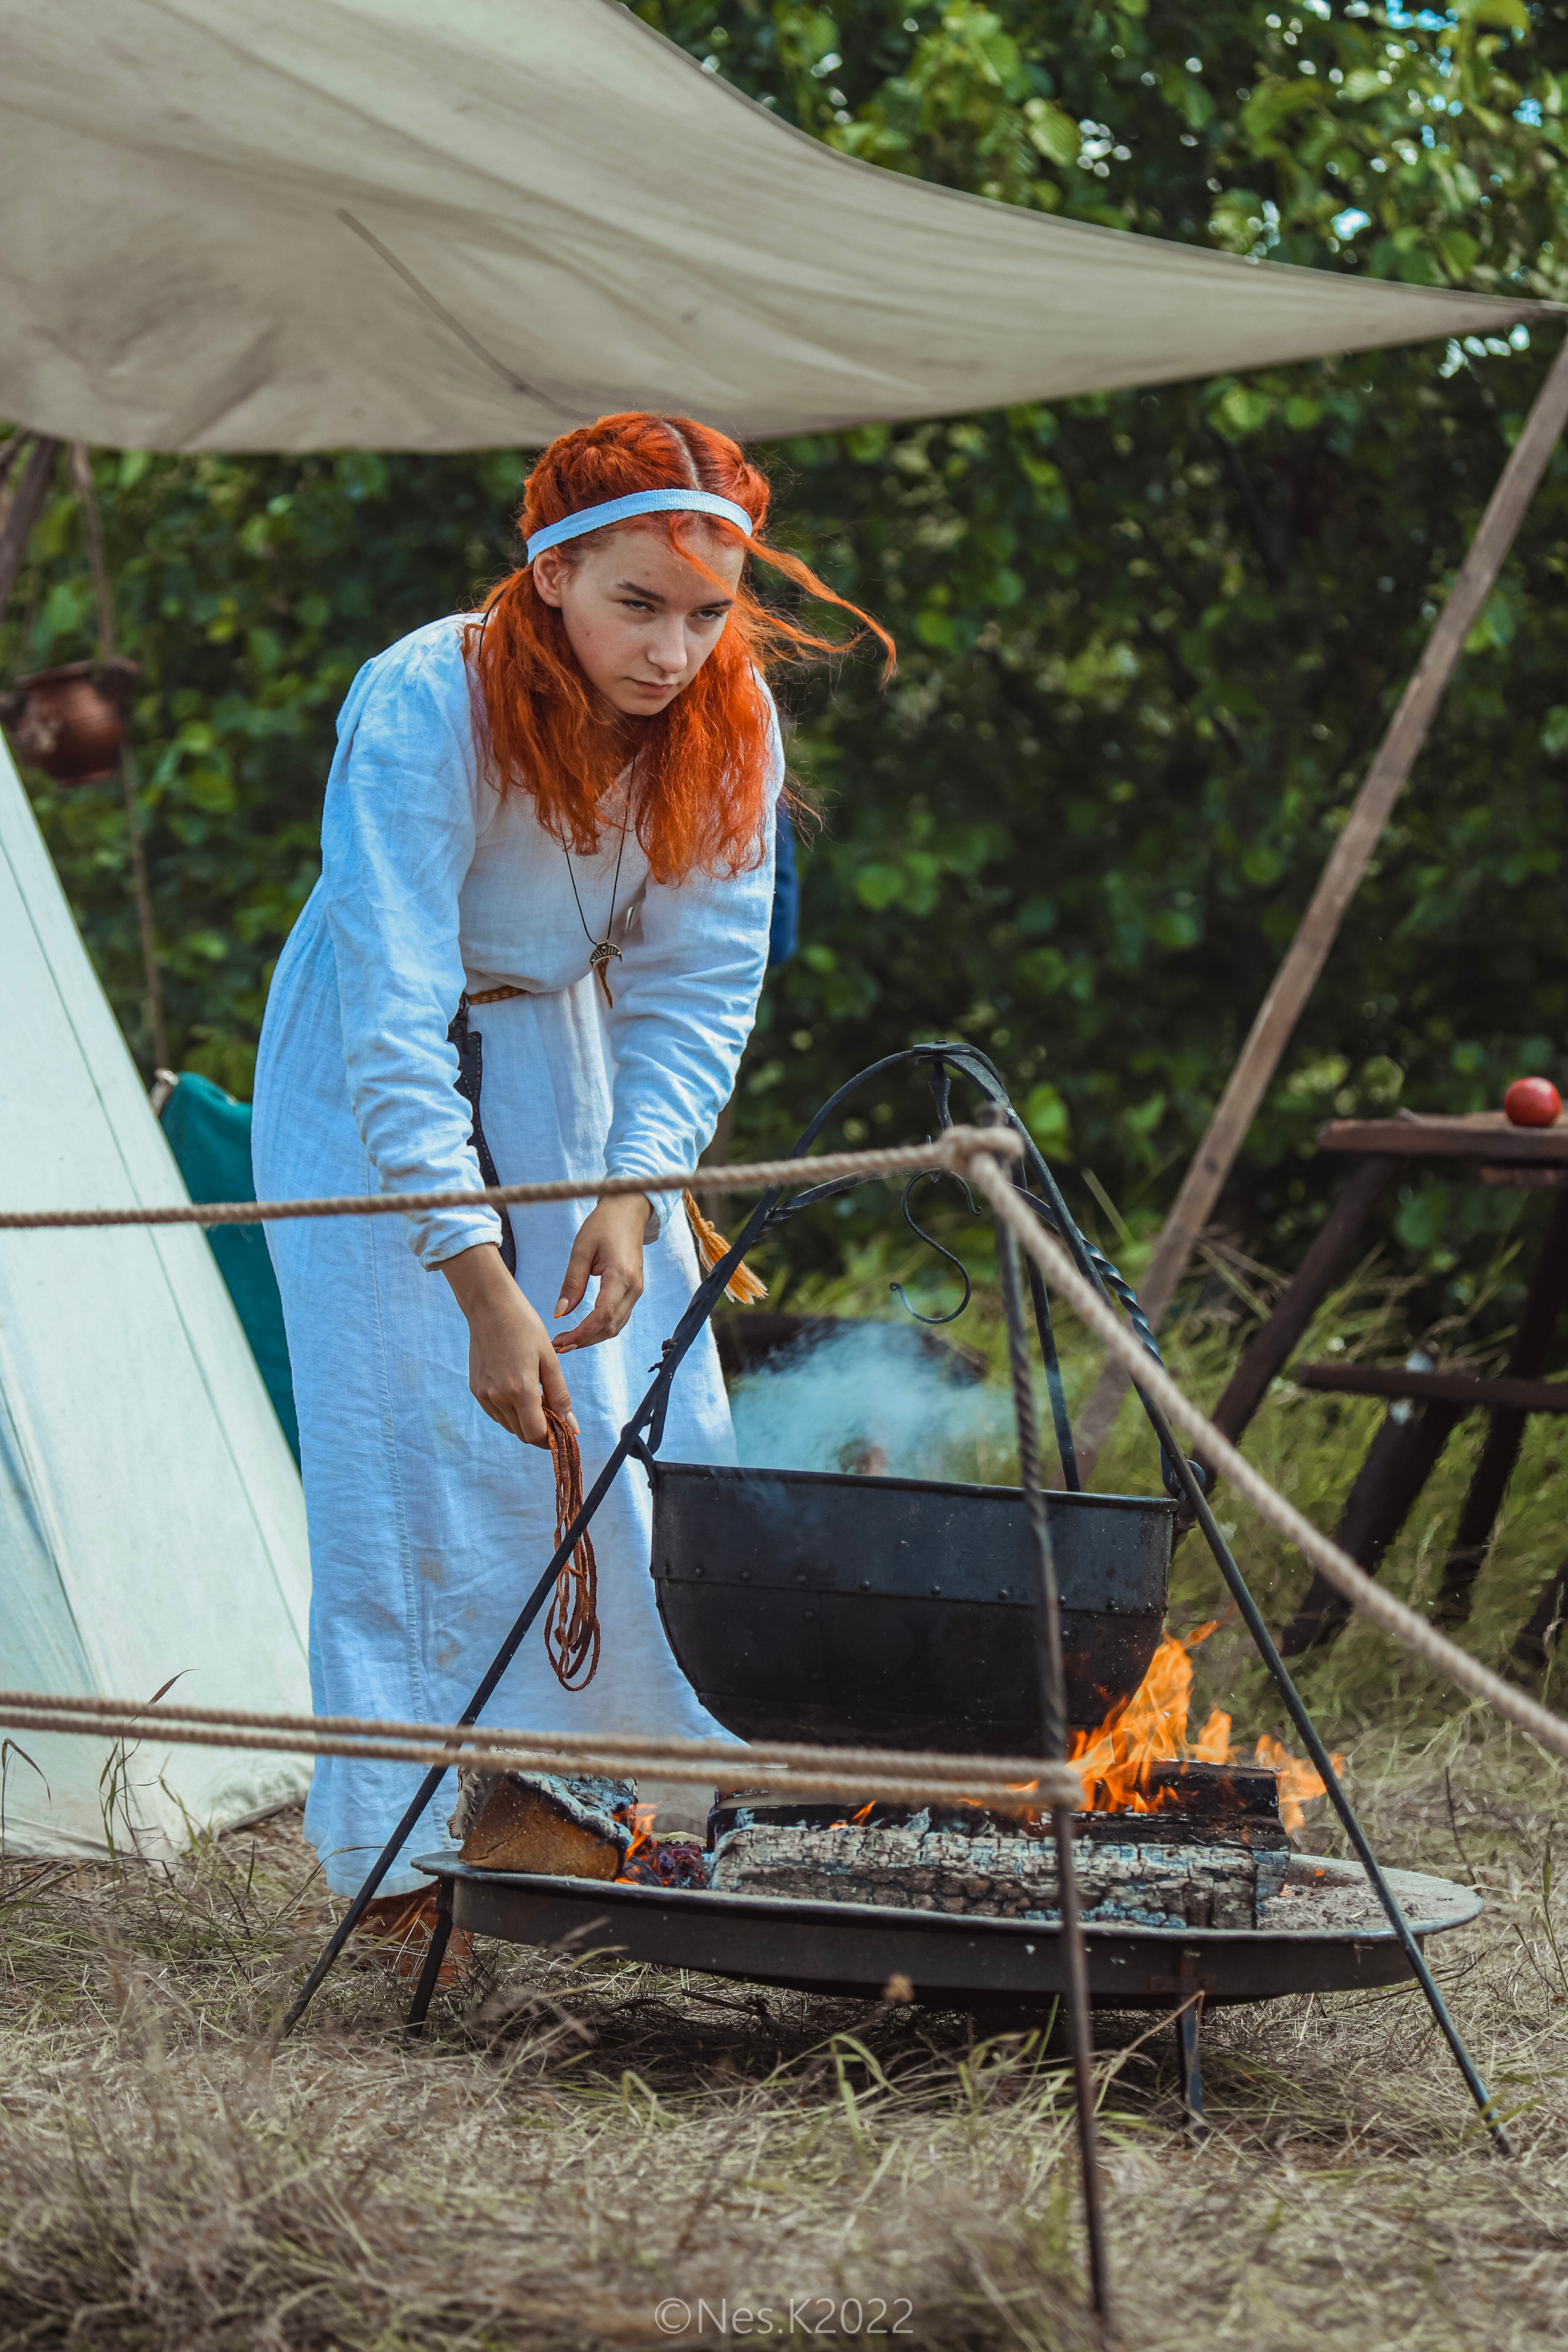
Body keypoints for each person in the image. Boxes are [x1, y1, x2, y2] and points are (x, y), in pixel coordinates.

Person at [252, 412, 891, 1957]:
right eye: (636, 605)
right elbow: (396, 1011)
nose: (673, 648)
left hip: (578, 1074)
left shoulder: (725, 717)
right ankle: (411, 1880)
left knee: (630, 1431)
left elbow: (698, 982)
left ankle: (610, 1823)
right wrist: (475, 1281)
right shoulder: (426, 700)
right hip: (373, 1076)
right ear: (550, 573)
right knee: (407, 1457)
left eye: (704, 611)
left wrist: (632, 1184)